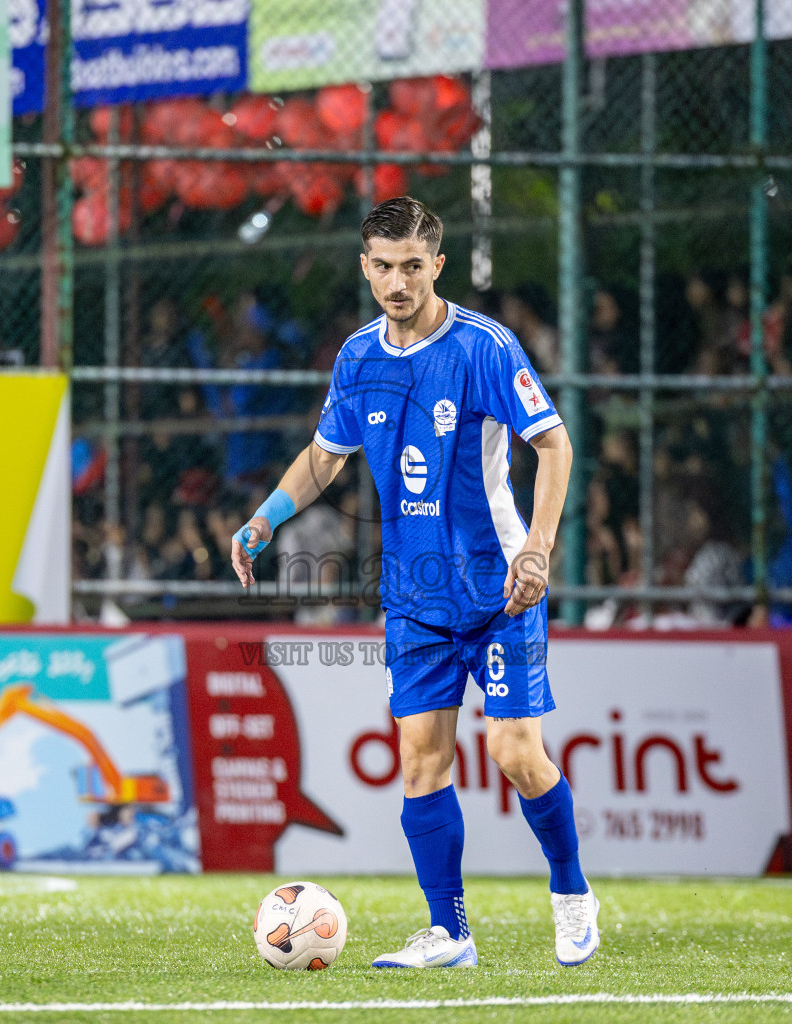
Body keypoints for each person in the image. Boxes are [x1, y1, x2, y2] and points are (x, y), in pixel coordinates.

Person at [230, 196, 598, 968]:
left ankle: (571, 894)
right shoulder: (357, 357)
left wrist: (538, 548)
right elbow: (328, 454)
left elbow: (555, 446)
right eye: (382, 267)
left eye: (411, 266)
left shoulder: (485, 348)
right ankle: (450, 932)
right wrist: (267, 517)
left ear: (437, 265)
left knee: (513, 752)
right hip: (415, 595)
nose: (397, 282)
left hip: (501, 588)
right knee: (422, 762)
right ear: (365, 267)